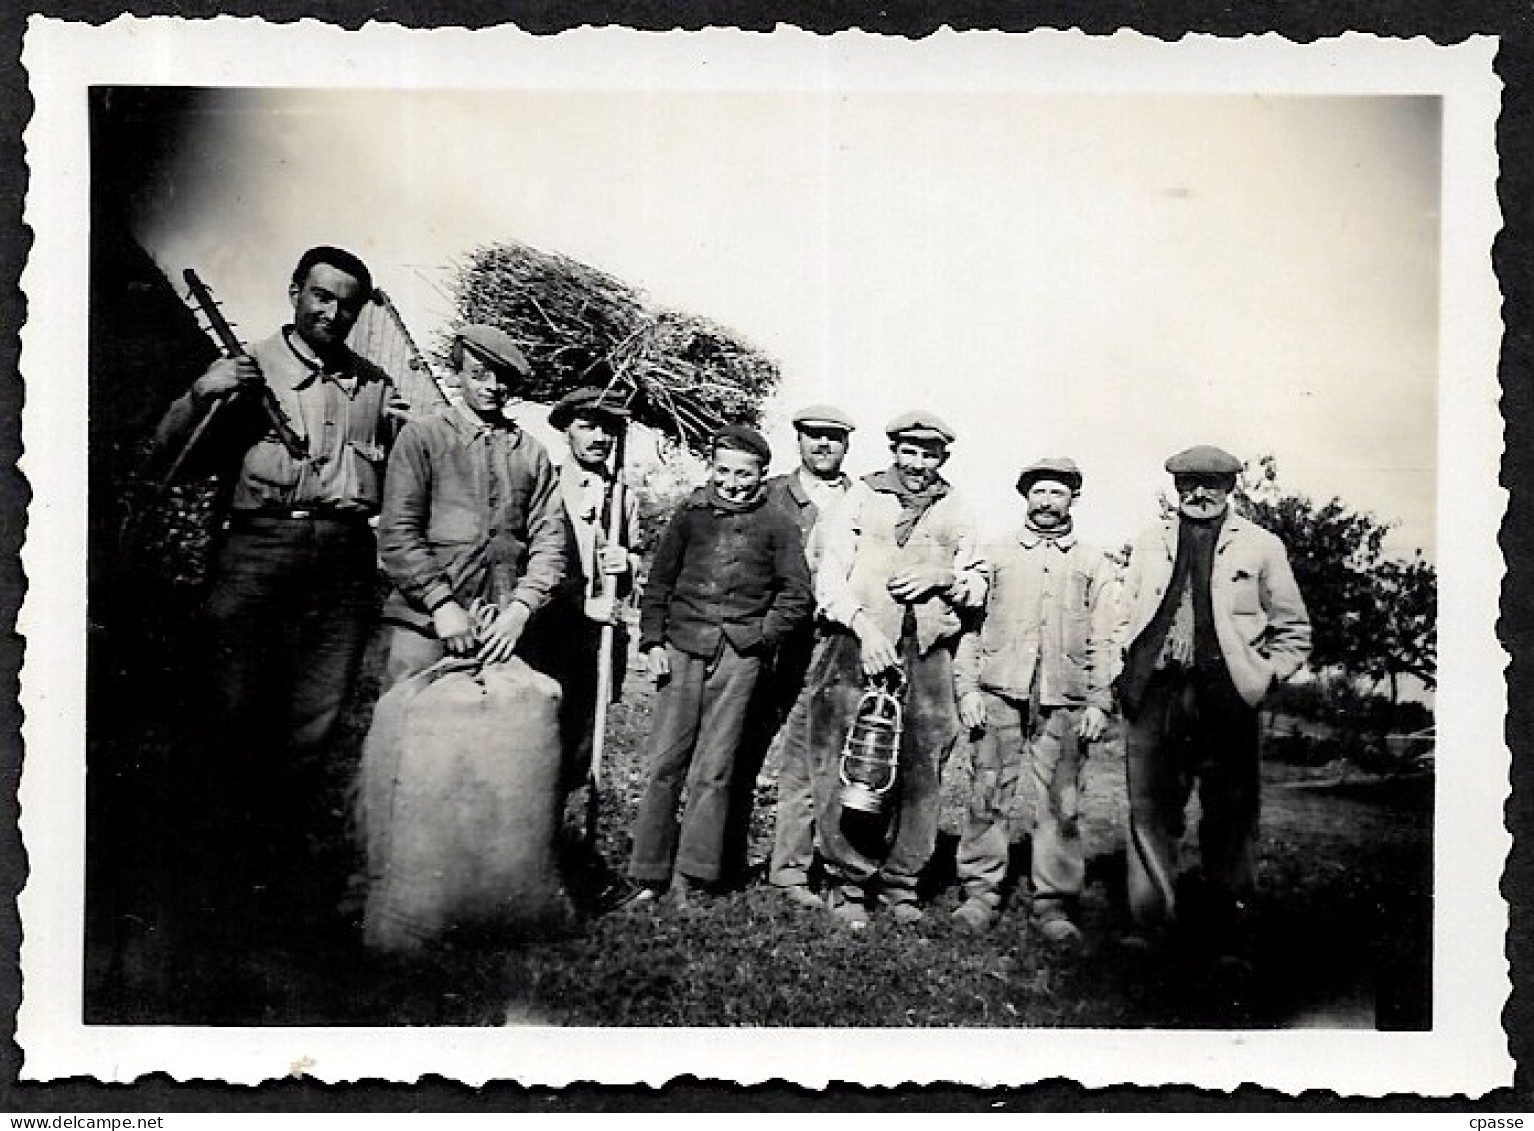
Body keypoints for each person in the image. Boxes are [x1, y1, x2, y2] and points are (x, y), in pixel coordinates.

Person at [150, 245, 398, 920]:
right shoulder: (247, 366)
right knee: (231, 715)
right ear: (295, 291)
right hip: (259, 551)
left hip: (344, 560)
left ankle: (272, 882)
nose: (333, 311)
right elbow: (166, 455)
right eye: (321, 295)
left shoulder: (373, 386)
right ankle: (205, 882)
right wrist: (204, 389)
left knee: (312, 725)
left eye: (347, 302)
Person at [1112, 445, 1311, 963]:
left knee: (1231, 812)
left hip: (1226, 698)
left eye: (1212, 484)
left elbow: (1295, 630)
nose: (1199, 494)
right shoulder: (1148, 541)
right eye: (1189, 484)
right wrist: (1121, 667)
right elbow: (1121, 612)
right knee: (1150, 810)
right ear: (1176, 488)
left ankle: (1228, 930)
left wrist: (1263, 677)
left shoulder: (1262, 546)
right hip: (1155, 692)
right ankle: (1150, 923)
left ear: (1231, 489)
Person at [809, 411, 987, 929]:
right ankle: (848, 881)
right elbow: (829, 579)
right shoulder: (860, 498)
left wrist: (944, 575)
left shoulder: (957, 507)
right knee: (853, 761)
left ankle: (901, 884)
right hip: (859, 646)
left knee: (922, 765)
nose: (917, 464)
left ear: (942, 458)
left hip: (928, 652)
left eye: (928, 454)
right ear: (894, 451)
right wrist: (865, 630)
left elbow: (977, 583)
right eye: (909, 452)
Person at [624, 424, 813, 908]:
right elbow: (659, 583)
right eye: (722, 471)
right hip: (683, 647)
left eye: (743, 474)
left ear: (761, 474)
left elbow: (796, 595)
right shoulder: (690, 515)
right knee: (665, 763)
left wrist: (758, 638)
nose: (731, 482)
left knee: (716, 768)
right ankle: (648, 873)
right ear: (711, 468)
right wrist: (652, 642)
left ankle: (694, 876)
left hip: (738, 657)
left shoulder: (777, 525)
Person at [951, 458, 1118, 942]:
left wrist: (1099, 700)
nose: (1047, 502)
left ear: (1073, 499)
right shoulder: (995, 554)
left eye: (1057, 493)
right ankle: (980, 894)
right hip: (998, 694)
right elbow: (969, 629)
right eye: (1038, 492)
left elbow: (1106, 636)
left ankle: (1053, 903)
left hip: (1063, 700)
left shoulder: (1093, 563)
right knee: (987, 795)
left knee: (1061, 806)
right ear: (1025, 496)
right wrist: (968, 690)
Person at [376, 324, 567, 684]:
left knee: (496, 730)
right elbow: (398, 532)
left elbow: (550, 542)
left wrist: (521, 609)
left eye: (503, 378)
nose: (492, 387)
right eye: (479, 375)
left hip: (501, 629)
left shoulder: (531, 454)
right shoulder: (423, 438)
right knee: (409, 726)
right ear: (456, 375)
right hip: (425, 623)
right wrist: (441, 603)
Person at [745, 404, 857, 906]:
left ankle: (793, 867)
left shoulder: (864, 499)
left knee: (813, 755)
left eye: (833, 437)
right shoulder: (769, 492)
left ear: (846, 444)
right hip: (769, 639)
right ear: (799, 440)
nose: (823, 445)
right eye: (814, 436)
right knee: (741, 747)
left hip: (831, 642)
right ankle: (717, 858)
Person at [540, 386, 642, 801]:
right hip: (549, 626)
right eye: (588, 427)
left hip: (598, 634)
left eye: (608, 429)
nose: (599, 438)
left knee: (582, 736)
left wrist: (627, 563)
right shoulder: (545, 482)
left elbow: (635, 557)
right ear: (567, 431)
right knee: (540, 725)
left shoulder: (622, 496)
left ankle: (566, 829)